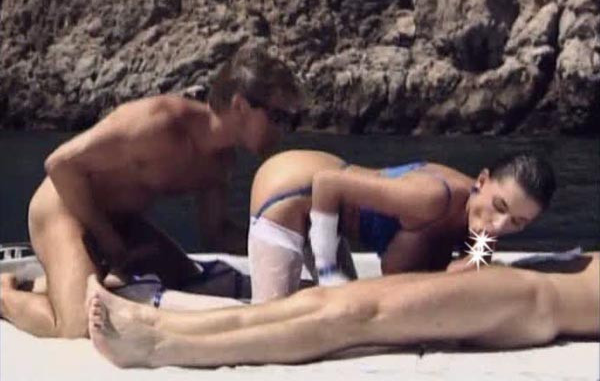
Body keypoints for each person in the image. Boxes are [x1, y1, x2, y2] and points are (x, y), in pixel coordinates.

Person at [0, 42, 303, 338]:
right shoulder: (158, 123)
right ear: (240, 105)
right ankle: (4, 294)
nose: (283, 131)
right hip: (65, 208)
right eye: (278, 117)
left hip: (120, 223)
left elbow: (217, 233)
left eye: (292, 120)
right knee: (77, 326)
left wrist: (293, 238)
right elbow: (60, 165)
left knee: (188, 280)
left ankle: (53, 284)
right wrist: (110, 242)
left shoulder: (220, 163)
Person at [86, 251, 600, 368]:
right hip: (520, 290)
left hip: (528, 299)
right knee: (324, 302)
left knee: (352, 316)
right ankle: (159, 322)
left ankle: (161, 345)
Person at [247, 149, 556, 302]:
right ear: (482, 181)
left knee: (339, 306)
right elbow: (327, 183)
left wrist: (481, 251)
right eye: (499, 206)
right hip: (293, 190)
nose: (500, 225)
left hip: (330, 219)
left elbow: (458, 279)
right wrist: (327, 270)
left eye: (517, 222)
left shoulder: (481, 227)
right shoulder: (432, 197)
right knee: (271, 319)